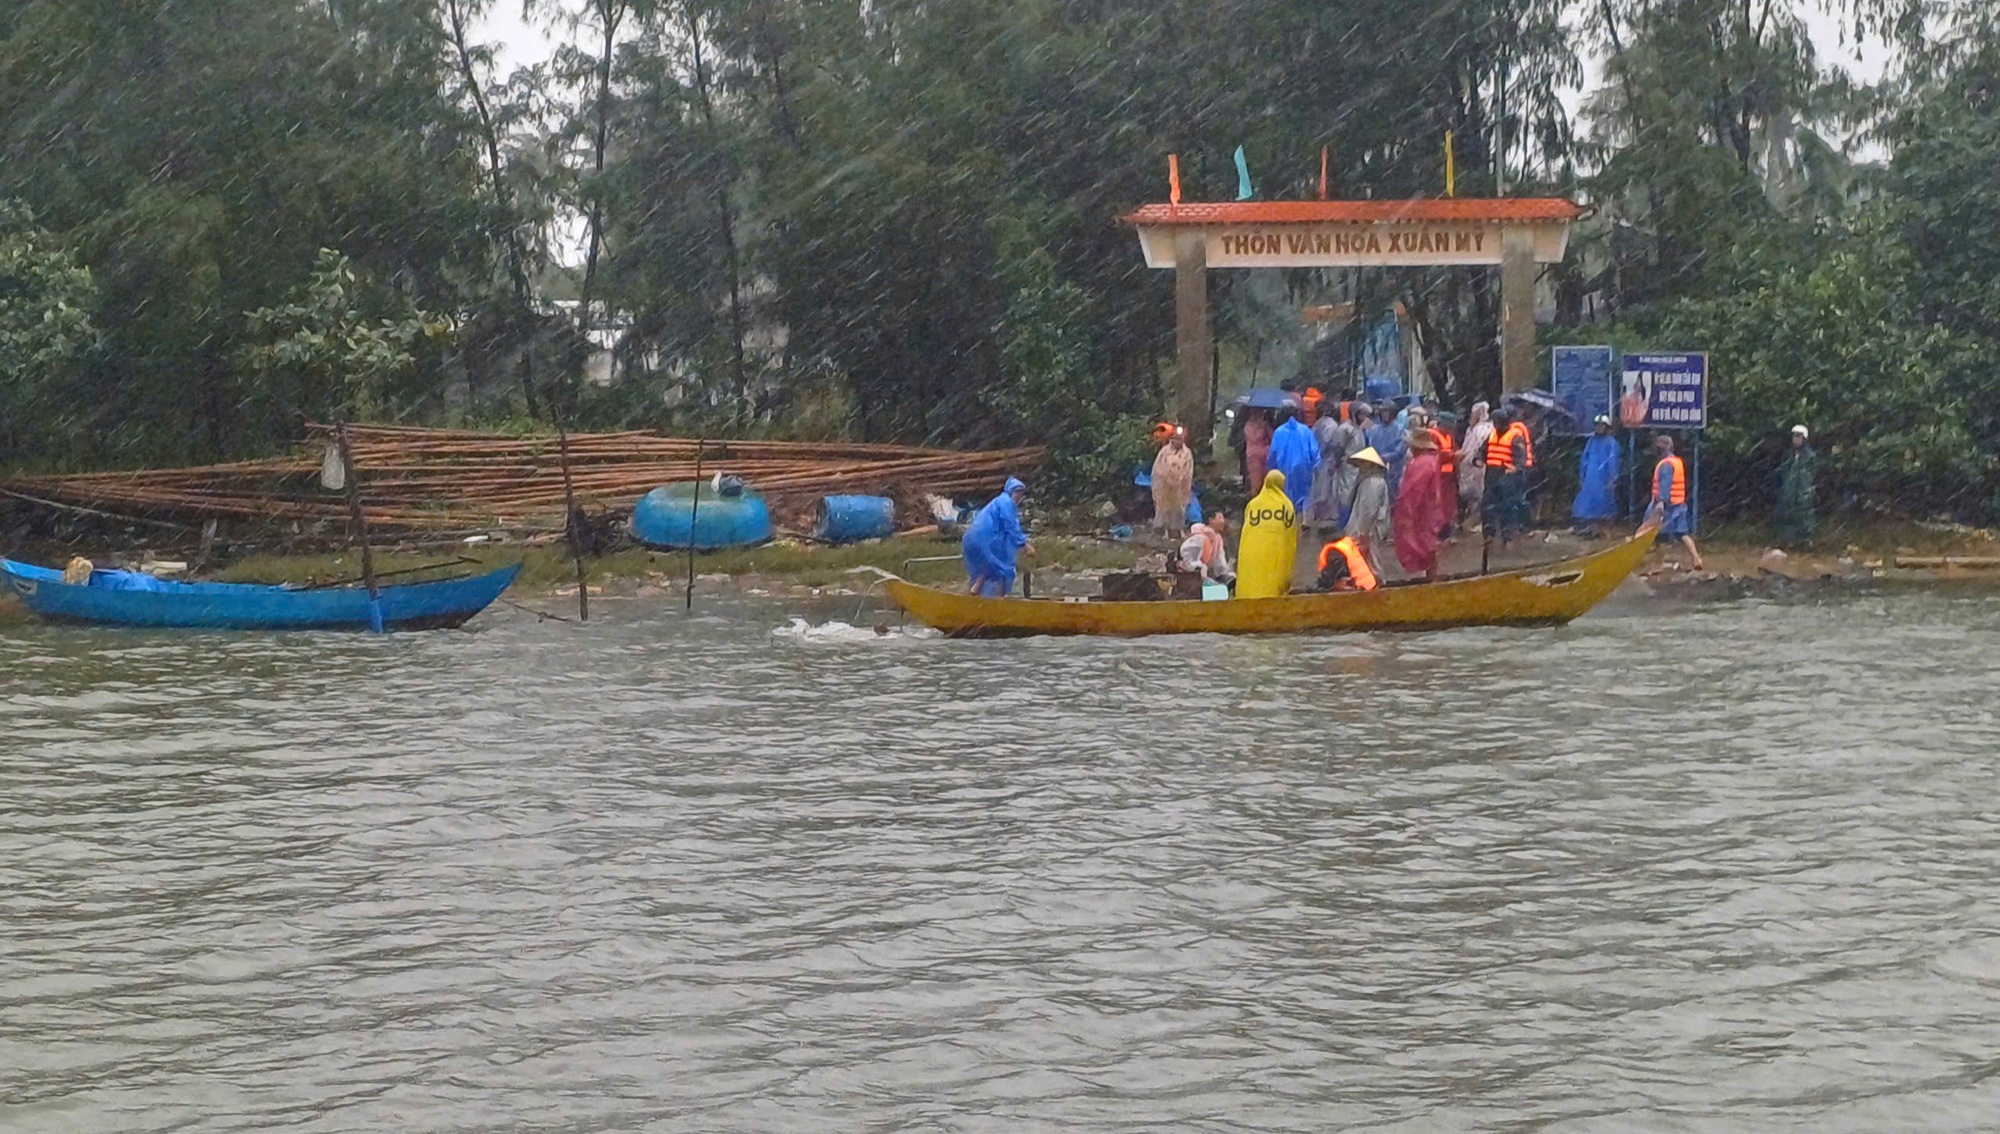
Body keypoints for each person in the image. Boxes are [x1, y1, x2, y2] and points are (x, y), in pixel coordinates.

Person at [1394, 427, 1450, 581]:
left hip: (1421, 511)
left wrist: (1407, 511)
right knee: (1428, 545)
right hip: (1430, 509)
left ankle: (1429, 580)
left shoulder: (1422, 463)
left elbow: (1414, 490)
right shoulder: (1431, 460)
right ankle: (1431, 578)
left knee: (1420, 544)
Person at [962, 476, 1033, 596]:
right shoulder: (1006, 503)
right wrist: (1025, 545)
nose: (1019, 497)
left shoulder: (997, 502)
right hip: (985, 540)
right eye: (1017, 493)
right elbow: (1011, 526)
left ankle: (975, 590)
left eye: (1021, 494)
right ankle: (999, 599)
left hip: (973, 538)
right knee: (1002, 569)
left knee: (987, 566)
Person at [1236, 470, 1300, 599]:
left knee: (1250, 582)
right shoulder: (1286, 506)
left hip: (1251, 552)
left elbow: (1246, 531)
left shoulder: (1253, 504)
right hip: (1275, 553)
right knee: (1272, 586)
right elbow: (1290, 537)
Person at [1649, 434, 1704, 569]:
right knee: (1682, 533)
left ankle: (1657, 565)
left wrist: (1661, 502)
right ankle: (1696, 559)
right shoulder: (1676, 461)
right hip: (1679, 503)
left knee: (1661, 537)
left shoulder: (1666, 464)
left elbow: (1665, 485)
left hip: (1668, 506)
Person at [1482, 408, 1529, 546]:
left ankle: (1507, 535)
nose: (1495, 424)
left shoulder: (1515, 436)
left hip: (1506, 474)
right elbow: (1483, 450)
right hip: (1491, 473)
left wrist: (1516, 468)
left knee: (1507, 505)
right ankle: (1489, 533)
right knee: (1487, 504)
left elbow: (1521, 456)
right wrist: (1478, 459)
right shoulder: (1492, 435)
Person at [1343, 446, 1391, 580]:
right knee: (1368, 559)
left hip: (1368, 529)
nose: (1360, 466)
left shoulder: (1372, 483)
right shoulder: (1372, 481)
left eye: (1363, 463)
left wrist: (1363, 532)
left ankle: (1375, 583)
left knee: (1370, 560)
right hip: (1368, 528)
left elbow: (1369, 510)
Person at [1572, 415, 1620, 534]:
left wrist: (1613, 478)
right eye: (1597, 425)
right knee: (1588, 502)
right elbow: (1584, 459)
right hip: (1591, 476)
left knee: (1605, 502)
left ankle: (1604, 528)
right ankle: (1589, 526)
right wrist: (1582, 475)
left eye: (1601, 425)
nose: (1599, 428)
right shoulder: (1591, 441)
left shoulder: (1611, 443)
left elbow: (1613, 461)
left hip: (1604, 477)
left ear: (1607, 427)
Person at [1268, 408, 1319, 513]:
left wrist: (1271, 468)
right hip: (1304, 470)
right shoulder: (1305, 431)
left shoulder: (1279, 432)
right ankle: (1301, 518)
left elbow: (1273, 454)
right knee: (1303, 499)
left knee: (1284, 497)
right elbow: (1315, 453)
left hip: (1283, 469)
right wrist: (1314, 468)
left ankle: (1286, 517)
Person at [1774, 424, 1817, 546]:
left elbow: (1811, 474)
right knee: (1786, 514)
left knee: (1804, 515)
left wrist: (1806, 490)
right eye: (1794, 436)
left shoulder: (1810, 456)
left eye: (1799, 437)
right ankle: (1788, 540)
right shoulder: (1788, 455)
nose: (1796, 439)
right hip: (1788, 491)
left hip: (1803, 491)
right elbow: (1782, 472)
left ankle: (1806, 540)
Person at [1457, 401, 1495, 531]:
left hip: (1477, 467)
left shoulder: (1484, 429)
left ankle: (1475, 522)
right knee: (1469, 495)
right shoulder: (1471, 429)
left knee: (1478, 494)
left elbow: (1476, 450)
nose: (1471, 417)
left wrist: (1468, 459)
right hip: (1467, 467)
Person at [1150, 425, 1194, 538]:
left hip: (1180, 487)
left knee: (1180, 508)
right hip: (1165, 486)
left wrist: (1182, 479)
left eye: (1180, 439)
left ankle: (1179, 529)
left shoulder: (1187, 453)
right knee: (1165, 507)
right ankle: (1164, 529)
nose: (1178, 441)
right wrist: (1166, 478)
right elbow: (1157, 469)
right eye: (1176, 439)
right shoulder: (1164, 452)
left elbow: (1189, 469)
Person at [1364, 400, 1407, 499]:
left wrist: (1384, 457)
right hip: (1376, 468)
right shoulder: (1374, 429)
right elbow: (1369, 446)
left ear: (1393, 413)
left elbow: (1400, 451)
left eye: (1387, 411)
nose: (1385, 414)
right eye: (1383, 411)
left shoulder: (1399, 429)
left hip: (1394, 469)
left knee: (1392, 494)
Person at [1241, 407, 1274, 490]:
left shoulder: (1264, 424)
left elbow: (1273, 437)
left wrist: (1267, 427)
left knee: (1267, 480)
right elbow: (1255, 438)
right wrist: (1263, 427)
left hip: (1266, 455)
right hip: (1254, 457)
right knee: (1256, 482)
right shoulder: (1248, 425)